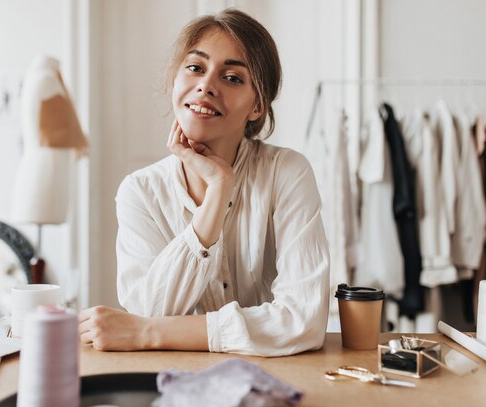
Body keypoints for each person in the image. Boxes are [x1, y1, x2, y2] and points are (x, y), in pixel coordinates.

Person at [78, 8, 330, 357]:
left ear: (257, 105)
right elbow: (149, 310)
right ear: (175, 80)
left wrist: (152, 332)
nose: (206, 85)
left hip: (278, 379)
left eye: (232, 78)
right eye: (196, 67)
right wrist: (216, 197)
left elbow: (302, 321)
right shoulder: (139, 191)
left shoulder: (287, 172)